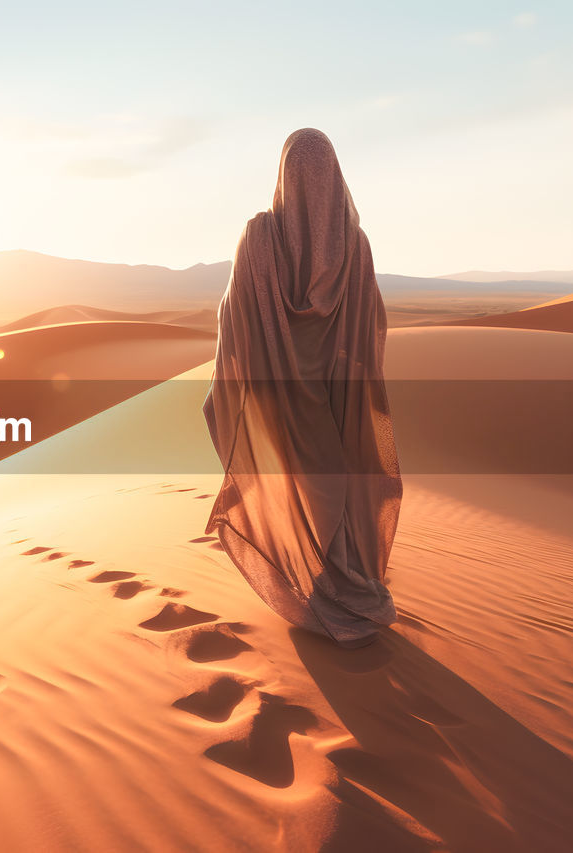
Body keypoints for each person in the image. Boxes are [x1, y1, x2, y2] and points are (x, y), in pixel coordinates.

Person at [202, 128, 402, 648]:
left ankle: (325, 589)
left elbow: (234, 314)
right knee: (342, 488)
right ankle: (347, 585)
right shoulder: (354, 245)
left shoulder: (260, 237)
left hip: (279, 399)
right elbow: (371, 325)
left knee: (305, 488)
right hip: (338, 397)